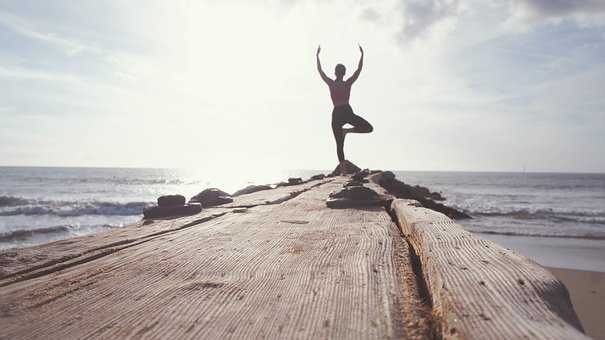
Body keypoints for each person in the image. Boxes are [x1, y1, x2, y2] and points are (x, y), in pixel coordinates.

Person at [316, 44, 373, 175]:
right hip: (346, 112)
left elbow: (320, 71)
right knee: (368, 128)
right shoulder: (347, 83)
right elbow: (358, 70)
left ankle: (343, 171)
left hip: (338, 113)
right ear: (344, 73)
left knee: (339, 143)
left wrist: (317, 56)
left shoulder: (331, 83)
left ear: (335, 72)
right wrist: (362, 55)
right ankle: (347, 131)